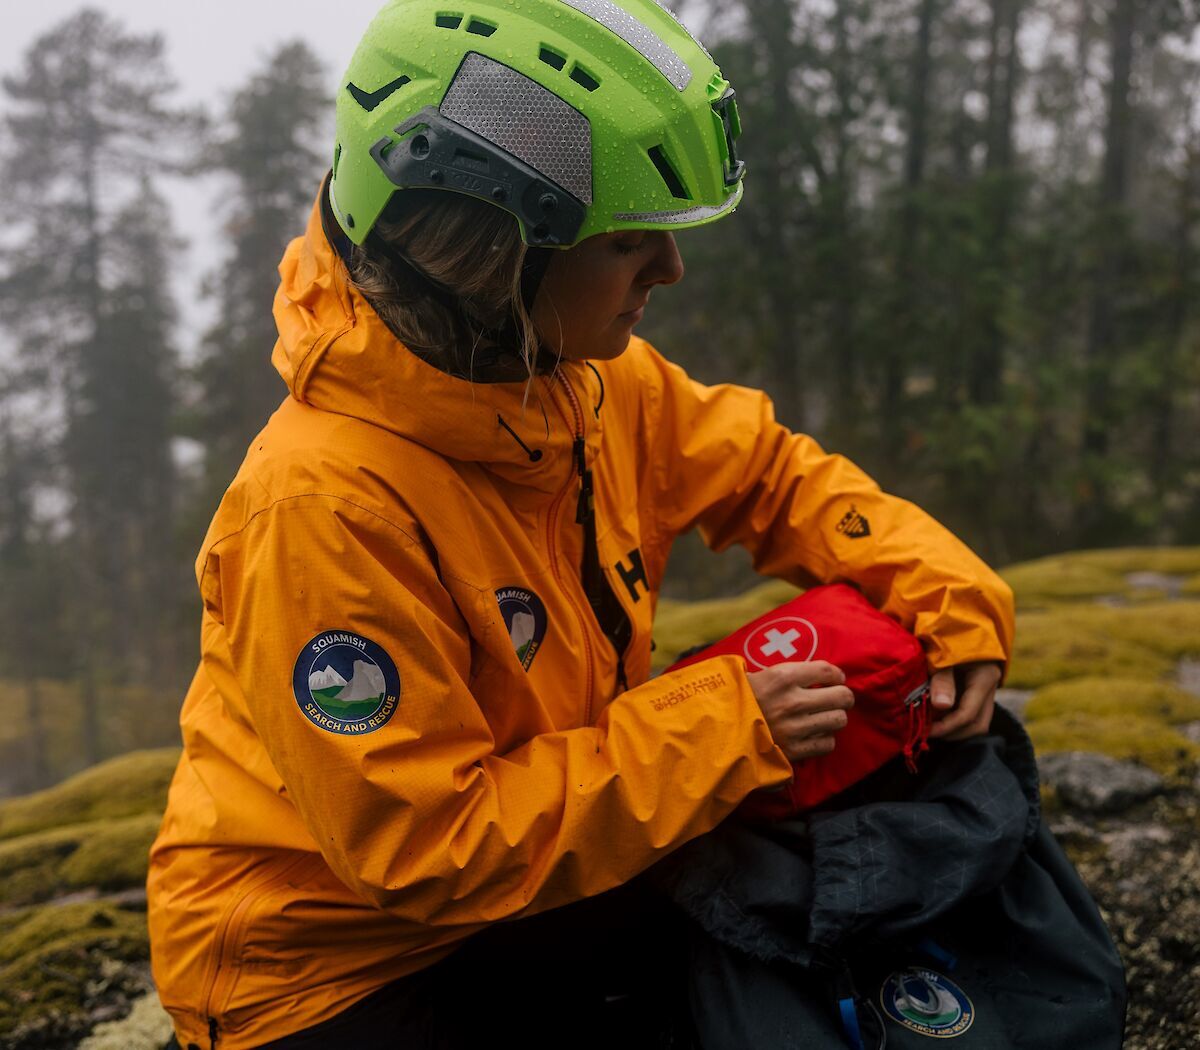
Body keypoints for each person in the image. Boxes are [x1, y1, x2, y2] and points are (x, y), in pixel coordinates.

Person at [147, 2, 1014, 1047]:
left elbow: (773, 476)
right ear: (489, 251)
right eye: (632, 243)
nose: (670, 273)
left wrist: (945, 593)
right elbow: (427, 848)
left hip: (538, 865)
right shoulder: (323, 507)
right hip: (328, 972)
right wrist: (723, 728)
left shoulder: (579, 380)